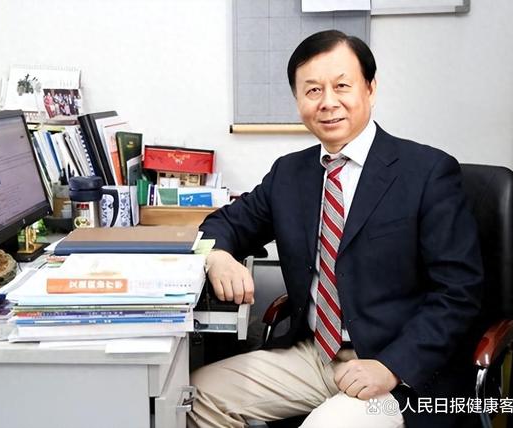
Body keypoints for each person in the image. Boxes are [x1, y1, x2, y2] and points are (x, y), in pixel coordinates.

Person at [189, 30, 484, 428]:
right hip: (315, 356)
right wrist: (217, 257)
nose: (328, 102)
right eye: (312, 90)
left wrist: (392, 366)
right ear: (298, 101)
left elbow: (459, 292)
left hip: (399, 370)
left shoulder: (428, 172)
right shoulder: (289, 174)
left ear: (370, 88)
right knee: (193, 397)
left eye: (342, 86)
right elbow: (220, 225)